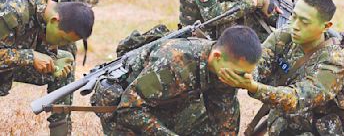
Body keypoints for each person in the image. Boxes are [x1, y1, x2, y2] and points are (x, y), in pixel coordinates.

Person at [219, 0, 344, 135]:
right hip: (282, 123)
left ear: (326, 26)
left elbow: (296, 99)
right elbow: (259, 63)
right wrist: (244, 74)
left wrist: (255, 88)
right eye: (294, 17)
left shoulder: (332, 63)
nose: (295, 25)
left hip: (313, 129)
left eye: (304, 22)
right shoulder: (285, 36)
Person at [91, 26, 262, 135]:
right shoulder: (175, 63)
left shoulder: (225, 73)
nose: (242, 80)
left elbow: (225, 121)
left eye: (246, 74)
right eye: (240, 73)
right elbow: (129, 109)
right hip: (123, 103)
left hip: (167, 102)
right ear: (217, 56)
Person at [0, 0, 95, 135]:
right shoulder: (13, 10)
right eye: (63, 39)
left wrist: (57, 58)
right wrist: (31, 57)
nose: (62, 43)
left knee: (66, 70)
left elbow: (34, 42)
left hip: (10, 59)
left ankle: (60, 132)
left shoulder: (52, 11)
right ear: (54, 20)